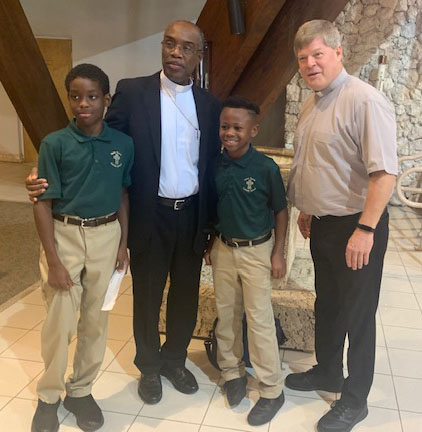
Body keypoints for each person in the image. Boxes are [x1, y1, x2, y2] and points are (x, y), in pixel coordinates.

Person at [27, 21, 221, 405]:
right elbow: (97, 138)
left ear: (198, 56)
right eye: (169, 44)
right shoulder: (133, 92)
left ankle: (175, 360)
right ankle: (149, 366)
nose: (175, 52)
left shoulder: (210, 105)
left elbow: (213, 165)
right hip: (150, 213)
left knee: (186, 294)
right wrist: (43, 172)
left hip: (193, 214)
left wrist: (212, 226)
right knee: (147, 295)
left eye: (186, 47)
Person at [285, 20, 398, 432]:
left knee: (358, 314)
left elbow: (384, 174)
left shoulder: (364, 100)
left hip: (357, 228)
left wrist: (365, 230)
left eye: (317, 54)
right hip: (324, 224)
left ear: (338, 52)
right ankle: (328, 371)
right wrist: (308, 208)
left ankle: (355, 399)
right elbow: (319, 163)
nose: (310, 64)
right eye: (303, 58)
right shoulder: (314, 101)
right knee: (328, 304)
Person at [31, 64, 133, 432]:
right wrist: (54, 259)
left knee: (97, 319)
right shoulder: (55, 143)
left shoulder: (122, 144)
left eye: (92, 97)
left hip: (107, 236)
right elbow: (42, 203)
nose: (83, 104)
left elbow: (123, 194)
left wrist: (123, 243)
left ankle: (81, 390)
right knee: (60, 320)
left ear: (106, 100)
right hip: (66, 235)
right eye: (76, 96)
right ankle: (49, 396)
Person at [204, 96, 288, 426]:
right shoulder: (215, 165)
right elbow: (215, 210)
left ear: (253, 130)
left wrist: (278, 252)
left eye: (237, 127)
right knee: (226, 315)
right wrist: (211, 243)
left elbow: (280, 211)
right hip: (224, 249)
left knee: (259, 319)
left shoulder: (265, 168)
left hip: (257, 251)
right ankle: (232, 373)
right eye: (225, 126)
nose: (230, 132)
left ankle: (271, 389)